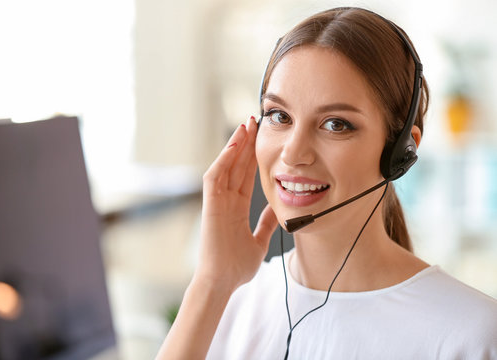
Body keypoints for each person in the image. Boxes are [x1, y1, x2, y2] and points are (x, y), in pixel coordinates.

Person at [156, 7, 497, 360]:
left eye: (336, 124)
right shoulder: (229, 302)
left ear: (400, 152)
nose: (293, 153)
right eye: (279, 116)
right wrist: (213, 281)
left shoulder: (472, 336)